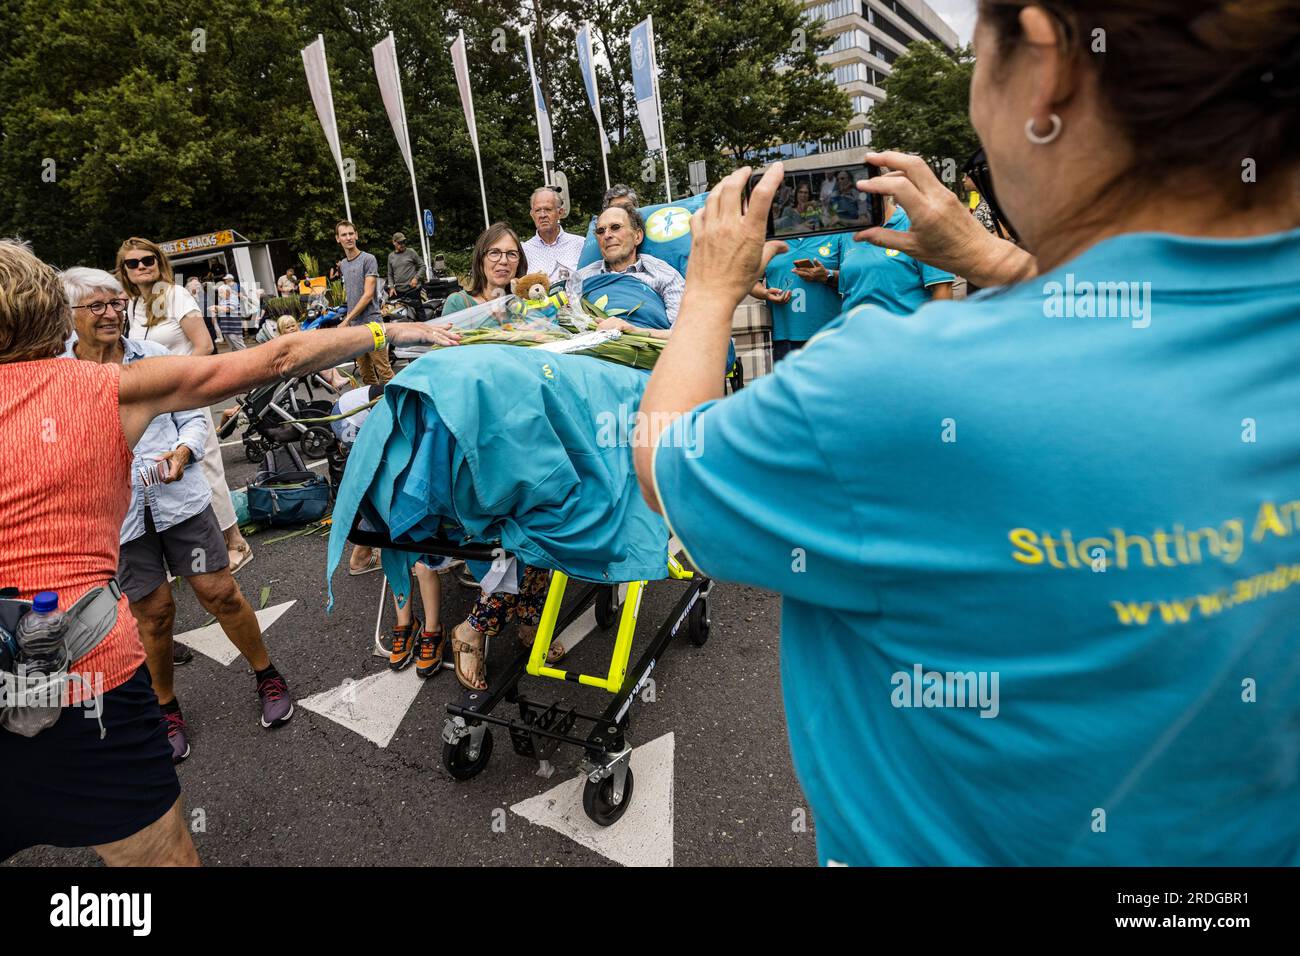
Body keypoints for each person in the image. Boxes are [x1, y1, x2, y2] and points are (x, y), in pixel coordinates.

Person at [635, 0, 1300, 868]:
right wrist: (992, 258)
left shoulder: (892, 387)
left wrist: (711, 287)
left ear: (1050, 63)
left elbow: (666, 460)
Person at [0, 238, 456, 865]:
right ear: (53, 311)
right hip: (86, 673)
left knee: (212, 592)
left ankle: (261, 674)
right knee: (155, 858)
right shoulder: (102, 390)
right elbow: (279, 357)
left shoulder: (115, 376)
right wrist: (393, 329)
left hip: (70, 642)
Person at [62, 268, 296, 763]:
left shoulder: (153, 357)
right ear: (71, 315)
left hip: (179, 500)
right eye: (97, 306)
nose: (111, 313)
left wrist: (184, 451)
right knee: (154, 614)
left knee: (220, 593)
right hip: (118, 514)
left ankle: (267, 675)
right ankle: (166, 707)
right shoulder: (62, 375)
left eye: (115, 302)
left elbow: (194, 412)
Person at [116, 238, 254, 574]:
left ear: (159, 262)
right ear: (124, 271)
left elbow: (204, 346)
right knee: (168, 470)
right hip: (155, 404)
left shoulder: (175, 295)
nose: (141, 267)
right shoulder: (135, 305)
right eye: (132, 263)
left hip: (185, 396)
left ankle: (236, 542)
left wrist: (175, 383)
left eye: (147, 260)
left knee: (205, 467)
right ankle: (190, 546)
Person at [795, 196, 954, 315]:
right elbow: (861, 276)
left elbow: (943, 288)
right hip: (858, 338)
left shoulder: (918, 225)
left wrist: (936, 338)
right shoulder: (848, 234)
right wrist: (827, 275)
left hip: (906, 337)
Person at [569, 205, 685, 333]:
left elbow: (683, 333)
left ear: (637, 236)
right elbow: (564, 324)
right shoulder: (581, 278)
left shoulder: (664, 274)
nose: (607, 235)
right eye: (601, 231)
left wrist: (635, 331)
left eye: (615, 227)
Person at [751, 232, 847, 361]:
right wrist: (765, 293)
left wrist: (827, 275)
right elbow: (749, 282)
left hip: (829, 334)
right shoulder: (767, 238)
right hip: (782, 338)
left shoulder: (836, 234)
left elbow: (853, 278)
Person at [335, 221, 392, 386]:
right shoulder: (343, 265)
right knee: (366, 375)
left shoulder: (368, 259)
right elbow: (352, 294)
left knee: (384, 371)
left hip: (372, 323)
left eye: (351, 233)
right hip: (355, 326)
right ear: (338, 239)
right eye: (344, 235)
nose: (348, 238)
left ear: (356, 235)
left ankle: (400, 410)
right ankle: (375, 410)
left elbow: (368, 295)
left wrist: (346, 320)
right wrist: (348, 320)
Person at [440, 223, 529, 315]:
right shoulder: (458, 304)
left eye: (511, 254)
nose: (504, 261)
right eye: (494, 252)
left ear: (519, 262)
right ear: (481, 260)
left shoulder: (522, 306)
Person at [522, 187, 585, 283]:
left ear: (560, 213)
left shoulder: (581, 244)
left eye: (548, 209)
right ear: (532, 214)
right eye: (538, 210)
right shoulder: (524, 251)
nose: (542, 215)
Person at [386, 232, 426, 298]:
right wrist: (392, 287)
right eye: (399, 243)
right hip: (398, 292)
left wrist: (416, 278)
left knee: (418, 308)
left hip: (413, 290)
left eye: (403, 242)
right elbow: (390, 274)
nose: (402, 244)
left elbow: (423, 266)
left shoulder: (411, 252)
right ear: (394, 242)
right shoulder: (390, 256)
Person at [214, 273, 248, 351]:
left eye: (220, 292)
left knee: (239, 346)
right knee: (233, 347)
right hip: (227, 326)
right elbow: (222, 309)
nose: (219, 294)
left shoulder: (234, 294)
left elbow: (228, 309)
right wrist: (216, 309)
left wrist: (217, 308)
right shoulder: (223, 298)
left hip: (233, 325)